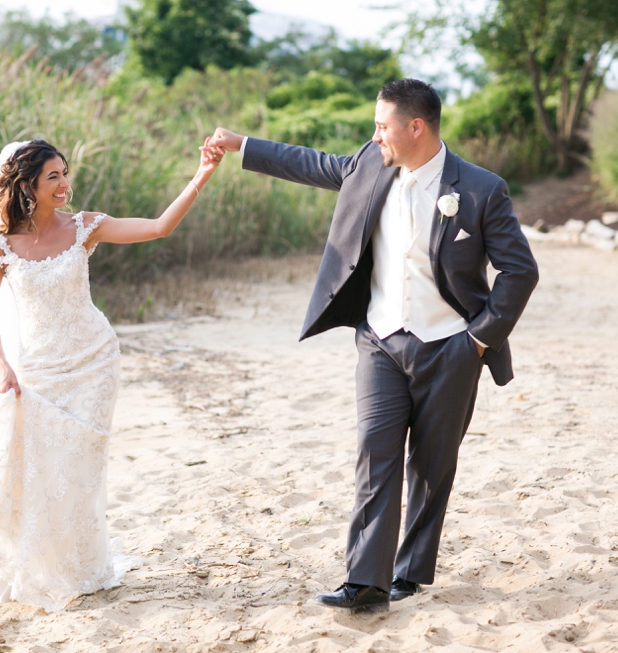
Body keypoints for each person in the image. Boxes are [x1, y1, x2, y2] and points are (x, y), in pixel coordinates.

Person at [208, 78, 539, 613]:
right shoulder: (370, 162)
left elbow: (519, 272)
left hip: (451, 346)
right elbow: (314, 163)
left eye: (383, 125)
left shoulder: (481, 189)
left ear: (417, 127)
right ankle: (365, 581)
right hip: (380, 340)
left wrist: (478, 339)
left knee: (432, 467)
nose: (374, 134)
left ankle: (408, 570)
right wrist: (241, 145)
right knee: (374, 454)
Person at [0, 138, 225, 612]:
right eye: (52, 177)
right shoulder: (1, 244)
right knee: (37, 463)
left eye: (65, 173)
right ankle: (37, 560)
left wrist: (201, 174)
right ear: (27, 186)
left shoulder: (86, 227)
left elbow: (160, 227)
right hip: (37, 368)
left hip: (94, 362)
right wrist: (3, 363)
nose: (64, 184)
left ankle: (78, 564)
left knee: (79, 465)